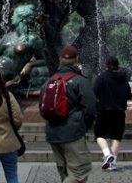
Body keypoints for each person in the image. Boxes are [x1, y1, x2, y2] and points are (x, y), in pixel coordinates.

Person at [39, 46, 97, 183]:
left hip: (53, 133)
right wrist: (82, 125)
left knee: (65, 172)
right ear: (77, 59)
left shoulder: (49, 82)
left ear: (60, 60)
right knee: (79, 171)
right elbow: (91, 108)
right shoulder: (80, 81)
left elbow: (42, 110)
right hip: (73, 133)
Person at [93, 55, 132, 172]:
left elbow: (94, 92)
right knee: (116, 137)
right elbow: (128, 94)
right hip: (119, 112)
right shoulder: (123, 78)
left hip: (104, 111)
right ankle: (113, 163)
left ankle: (106, 153)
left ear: (106, 65)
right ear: (117, 65)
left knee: (99, 135)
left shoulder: (101, 77)